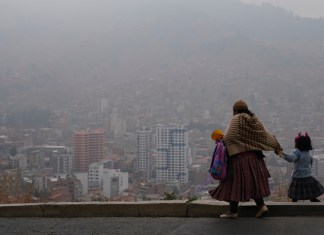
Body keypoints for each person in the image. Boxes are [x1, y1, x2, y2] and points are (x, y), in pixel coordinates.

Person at [209, 100, 282, 218]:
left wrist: (223, 142)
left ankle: (233, 211)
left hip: (239, 159)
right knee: (254, 183)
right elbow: (264, 135)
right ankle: (261, 206)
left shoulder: (236, 119)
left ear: (235, 110)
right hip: (256, 159)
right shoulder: (254, 120)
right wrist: (276, 146)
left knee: (233, 183)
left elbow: (229, 137)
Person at [278, 132, 324, 202]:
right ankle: (313, 199)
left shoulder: (297, 152)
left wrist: (282, 154)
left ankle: (294, 203)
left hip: (298, 176)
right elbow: (310, 162)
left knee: (295, 194)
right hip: (308, 176)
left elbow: (291, 158)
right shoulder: (308, 152)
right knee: (310, 190)